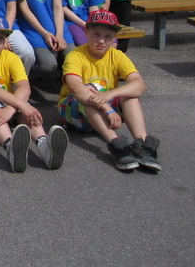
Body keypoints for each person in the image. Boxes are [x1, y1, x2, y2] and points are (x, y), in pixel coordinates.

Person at [0, 15, 68, 173]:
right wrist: (18, 105)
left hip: (4, 109)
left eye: (1, 38)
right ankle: (11, 148)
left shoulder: (11, 57)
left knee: (24, 106)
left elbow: (24, 86)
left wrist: (12, 109)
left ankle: (44, 147)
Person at [58, 10, 161, 171]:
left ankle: (141, 143)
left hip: (105, 114)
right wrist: (107, 108)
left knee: (130, 95)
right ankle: (116, 144)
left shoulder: (117, 56)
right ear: (86, 31)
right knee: (88, 91)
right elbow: (75, 87)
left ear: (114, 38)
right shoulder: (75, 55)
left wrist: (109, 94)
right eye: (96, 34)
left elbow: (140, 85)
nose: (101, 41)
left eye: (107, 37)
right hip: (74, 114)